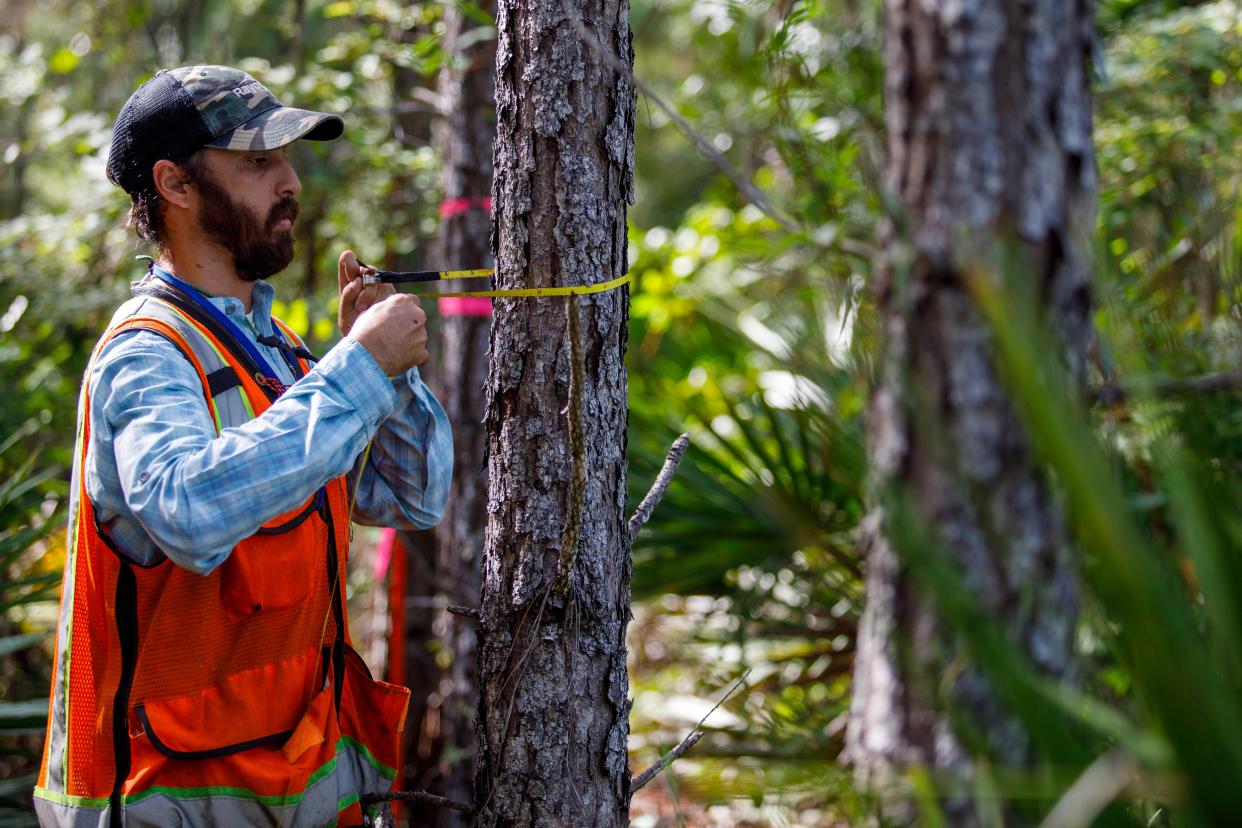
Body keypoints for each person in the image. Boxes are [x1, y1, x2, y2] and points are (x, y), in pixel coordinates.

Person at [33, 65, 453, 827]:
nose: (290, 180)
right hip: (165, 797)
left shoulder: (279, 352)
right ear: (176, 184)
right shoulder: (146, 355)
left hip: (298, 783)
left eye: (286, 158)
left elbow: (413, 496)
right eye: (259, 162)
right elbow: (188, 509)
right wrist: (359, 369)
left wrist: (389, 375)